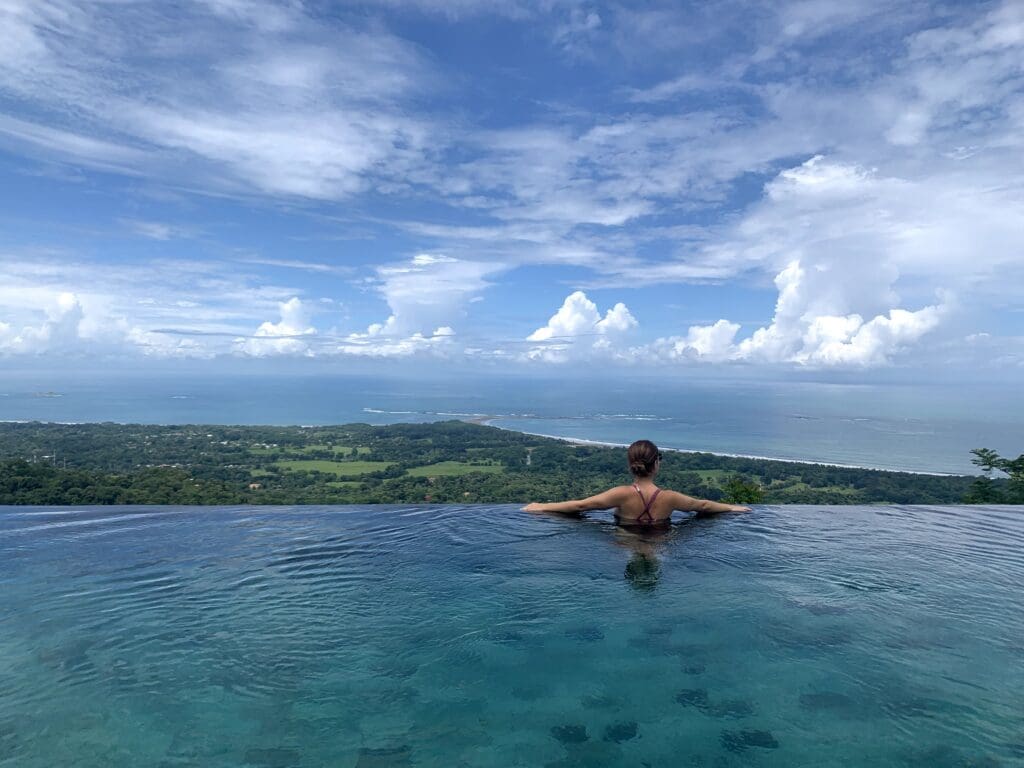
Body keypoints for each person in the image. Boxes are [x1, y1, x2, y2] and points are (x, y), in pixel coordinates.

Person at [523, 439, 750, 525]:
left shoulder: (621, 494)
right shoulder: (670, 497)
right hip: (662, 544)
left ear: (630, 464)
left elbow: (581, 505)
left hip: (625, 543)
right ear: (657, 464)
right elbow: (702, 506)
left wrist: (541, 506)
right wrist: (732, 507)